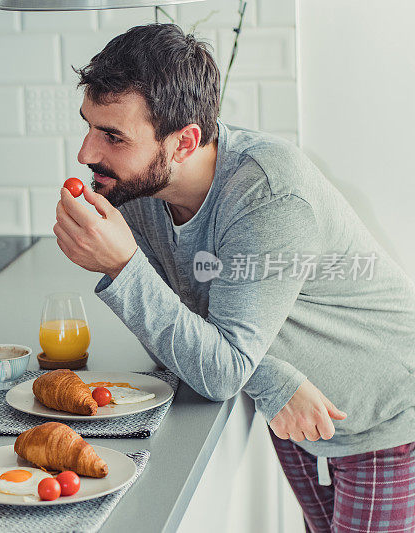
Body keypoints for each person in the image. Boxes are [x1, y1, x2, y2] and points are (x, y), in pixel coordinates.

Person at [55, 24, 415, 532]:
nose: (87, 154)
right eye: (90, 126)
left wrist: (122, 266)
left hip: (384, 411)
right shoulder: (139, 192)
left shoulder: (266, 196)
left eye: (113, 136)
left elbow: (220, 369)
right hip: (299, 404)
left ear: (185, 143)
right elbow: (182, 336)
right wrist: (269, 377)